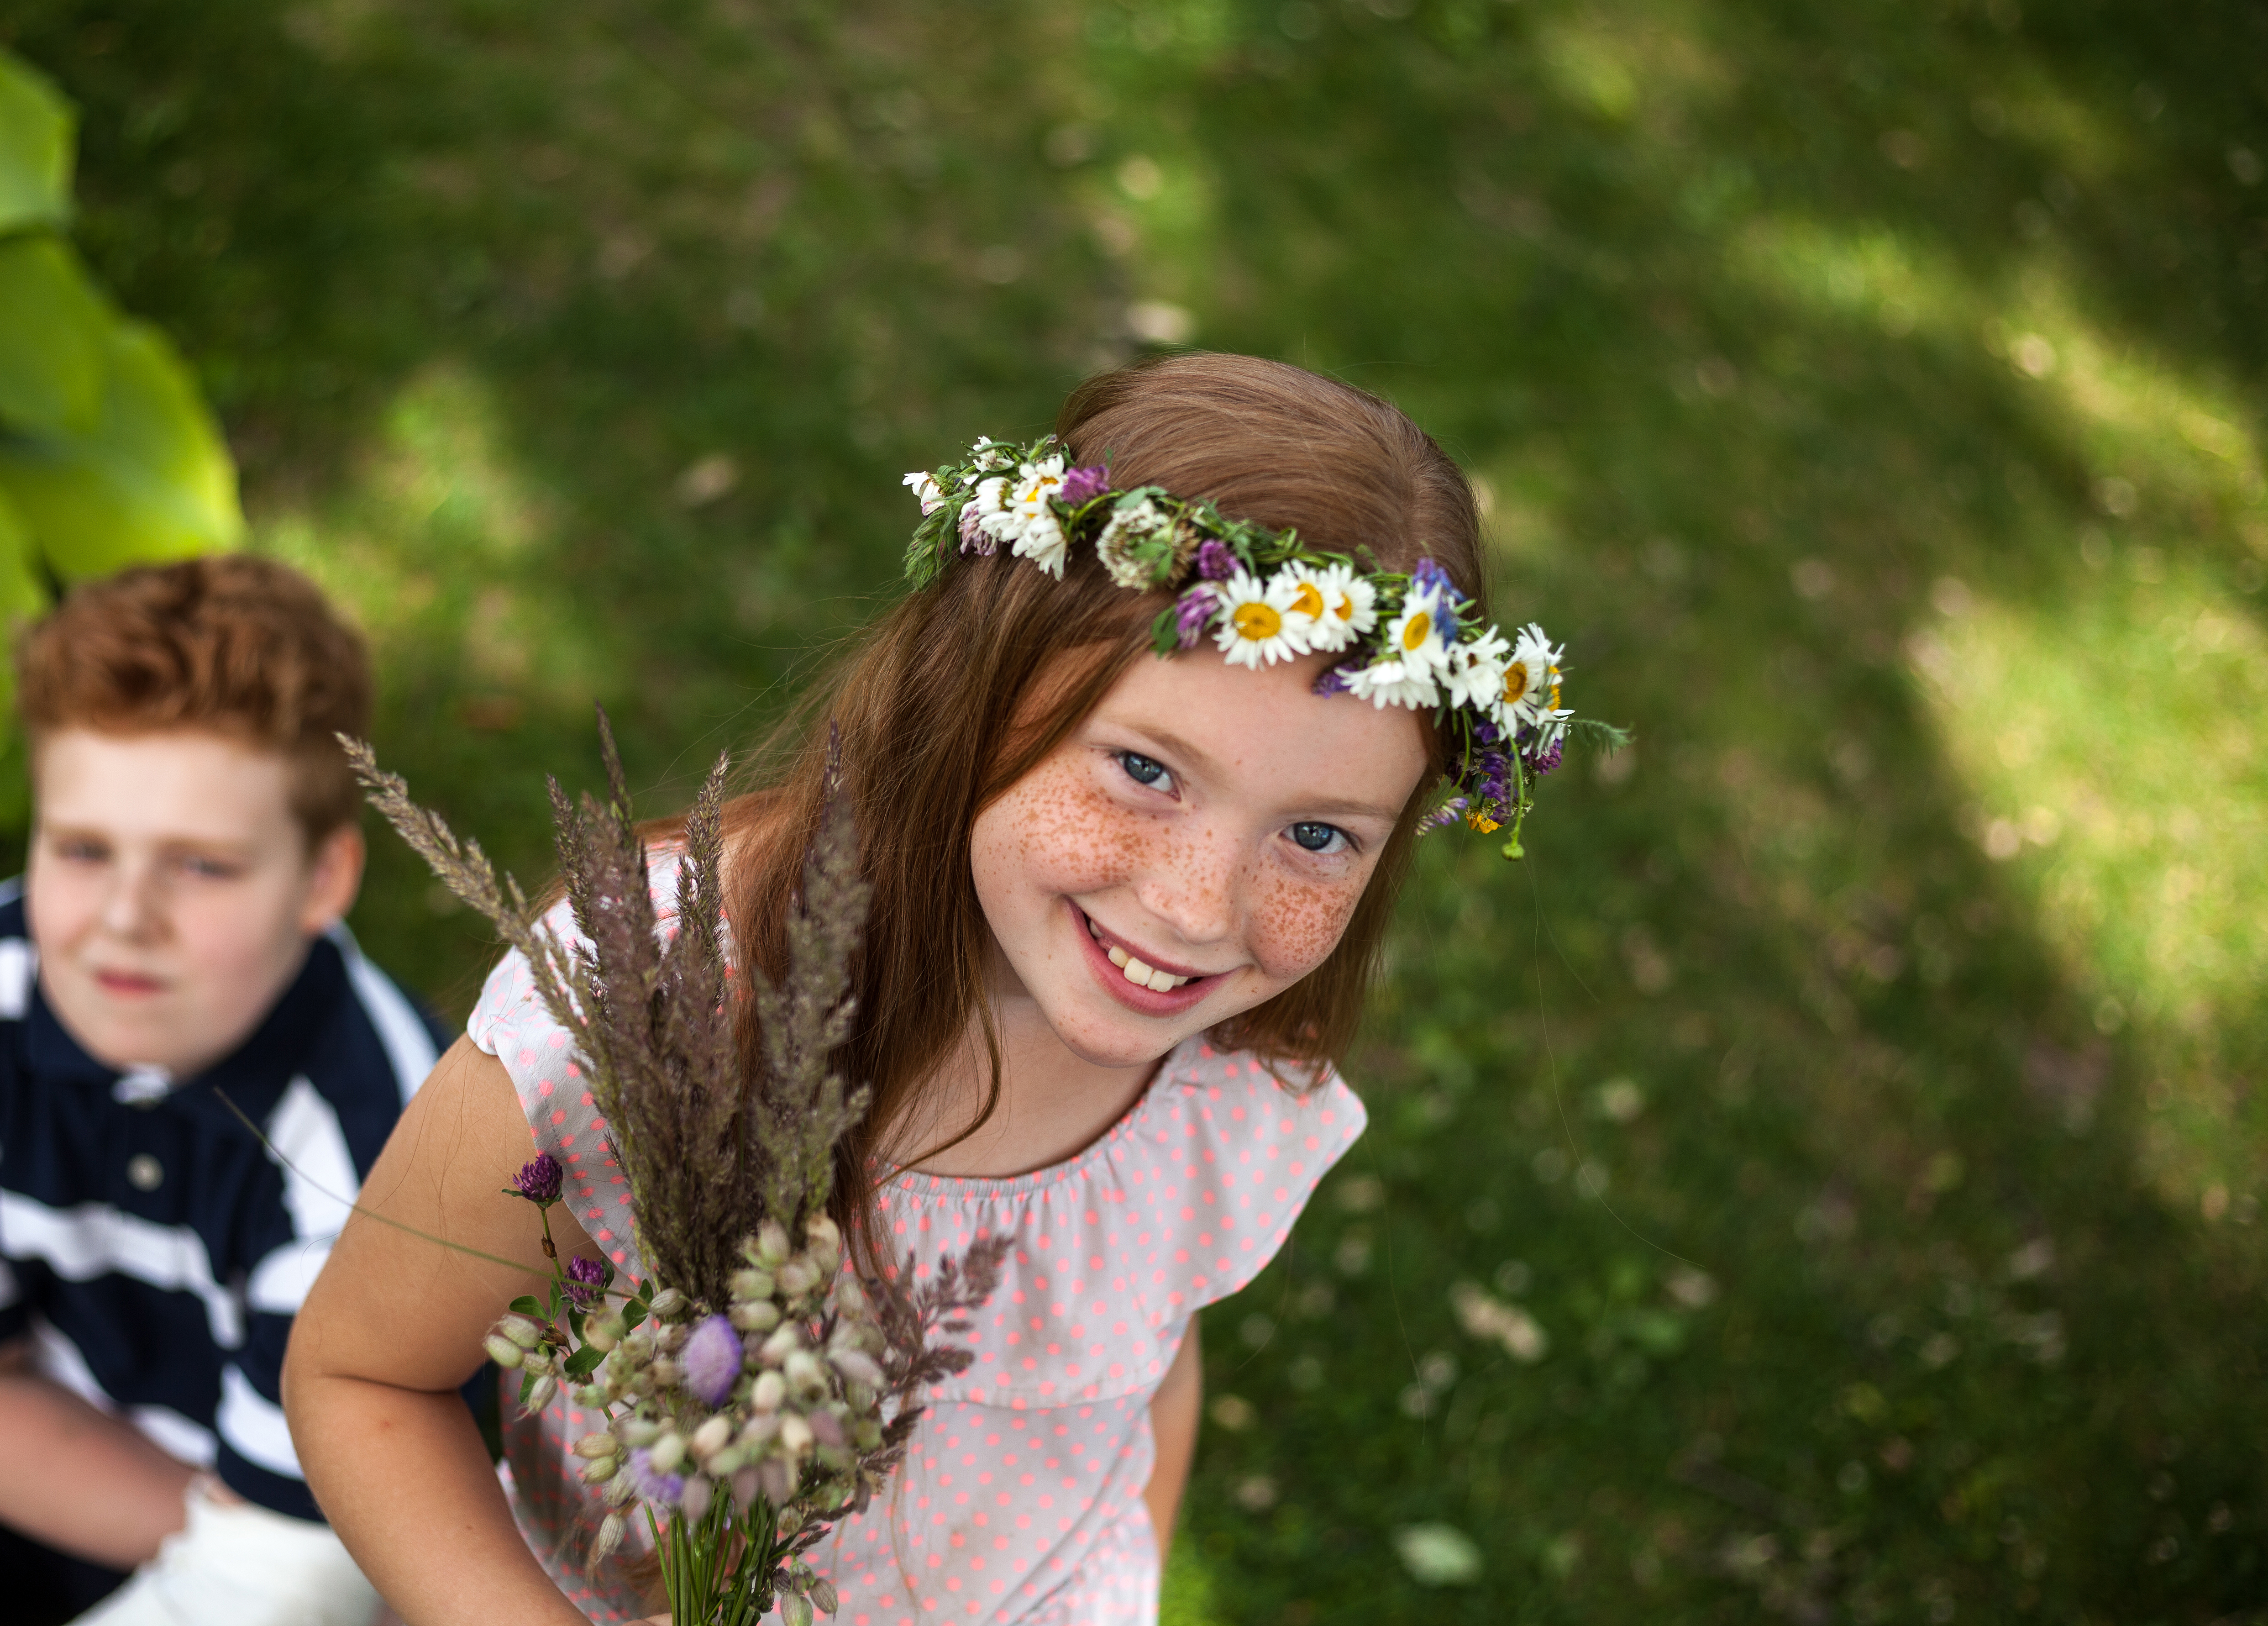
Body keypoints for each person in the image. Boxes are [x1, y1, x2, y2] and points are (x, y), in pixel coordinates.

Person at [287, 353, 1537, 1626]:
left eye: (1318, 837)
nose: (1199, 909)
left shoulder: (1233, 1074)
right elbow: (365, 1380)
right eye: (1147, 771)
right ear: (976, 695)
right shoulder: (648, 1018)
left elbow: (1145, 1357)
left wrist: (1128, 1584)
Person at [0, 555, 447, 1626]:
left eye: (200, 865)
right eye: (85, 849)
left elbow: (297, 1563)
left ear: (322, 879)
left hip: (290, 1542)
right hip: (19, 1436)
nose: (122, 920)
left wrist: (230, 1555)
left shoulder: (375, 1147)